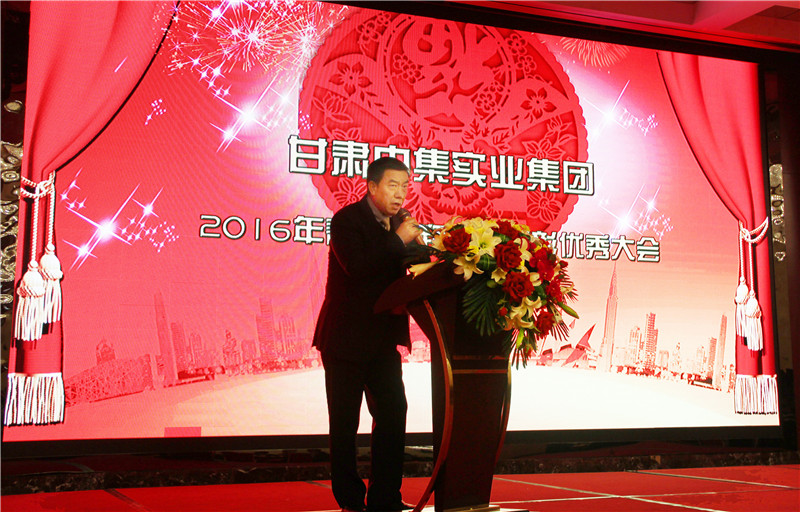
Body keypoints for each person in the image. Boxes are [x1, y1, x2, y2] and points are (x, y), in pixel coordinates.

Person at [313, 157, 423, 512]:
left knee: (393, 413)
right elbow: (357, 267)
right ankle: (350, 501)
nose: (400, 194)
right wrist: (398, 239)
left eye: (405, 186)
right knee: (345, 424)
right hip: (345, 340)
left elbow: (416, 264)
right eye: (393, 185)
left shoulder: (401, 223)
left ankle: (385, 498)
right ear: (372, 187)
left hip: (382, 340)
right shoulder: (347, 221)